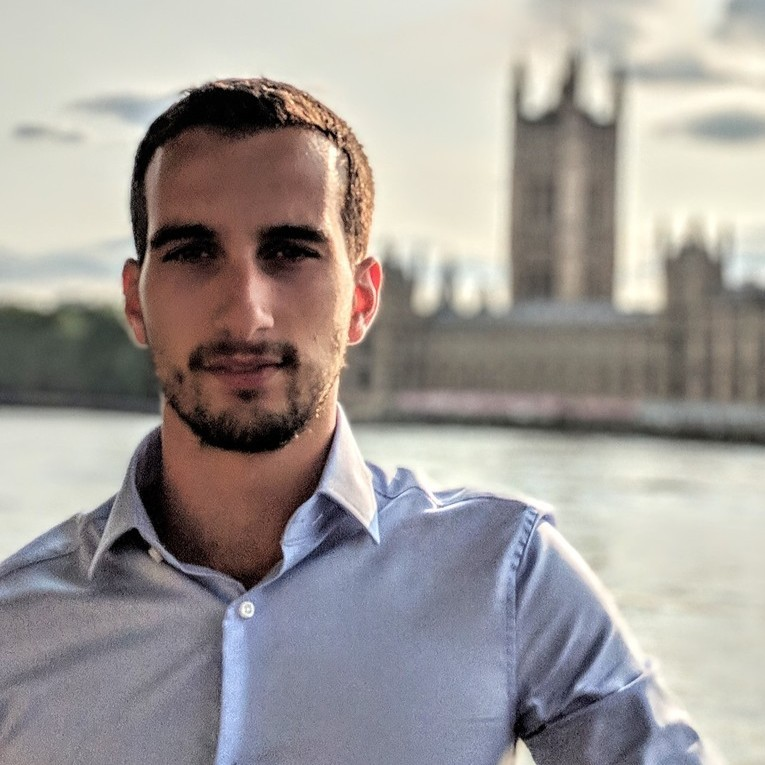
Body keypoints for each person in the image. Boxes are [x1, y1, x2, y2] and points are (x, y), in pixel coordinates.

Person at [0, 78, 716, 765]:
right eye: (193, 253)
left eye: (290, 253)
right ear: (134, 302)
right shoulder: (16, 625)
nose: (246, 311)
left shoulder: (510, 575)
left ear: (363, 301)